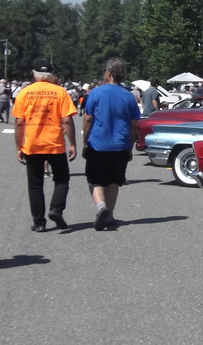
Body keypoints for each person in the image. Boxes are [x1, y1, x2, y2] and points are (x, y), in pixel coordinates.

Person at [12, 58, 78, 231]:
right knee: (62, 179)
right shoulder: (60, 92)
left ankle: (39, 222)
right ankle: (56, 208)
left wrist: (19, 146)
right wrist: (72, 144)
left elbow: (19, 122)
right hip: (54, 143)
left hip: (33, 144)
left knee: (35, 185)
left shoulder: (25, 93)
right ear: (51, 74)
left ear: (34, 73)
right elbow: (67, 120)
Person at [83, 57, 141, 231]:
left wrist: (85, 140)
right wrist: (130, 146)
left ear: (108, 73)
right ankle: (110, 216)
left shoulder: (96, 93)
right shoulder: (129, 96)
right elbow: (133, 125)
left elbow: (88, 118)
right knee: (114, 182)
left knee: (95, 180)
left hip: (98, 143)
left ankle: (101, 206)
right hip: (120, 144)